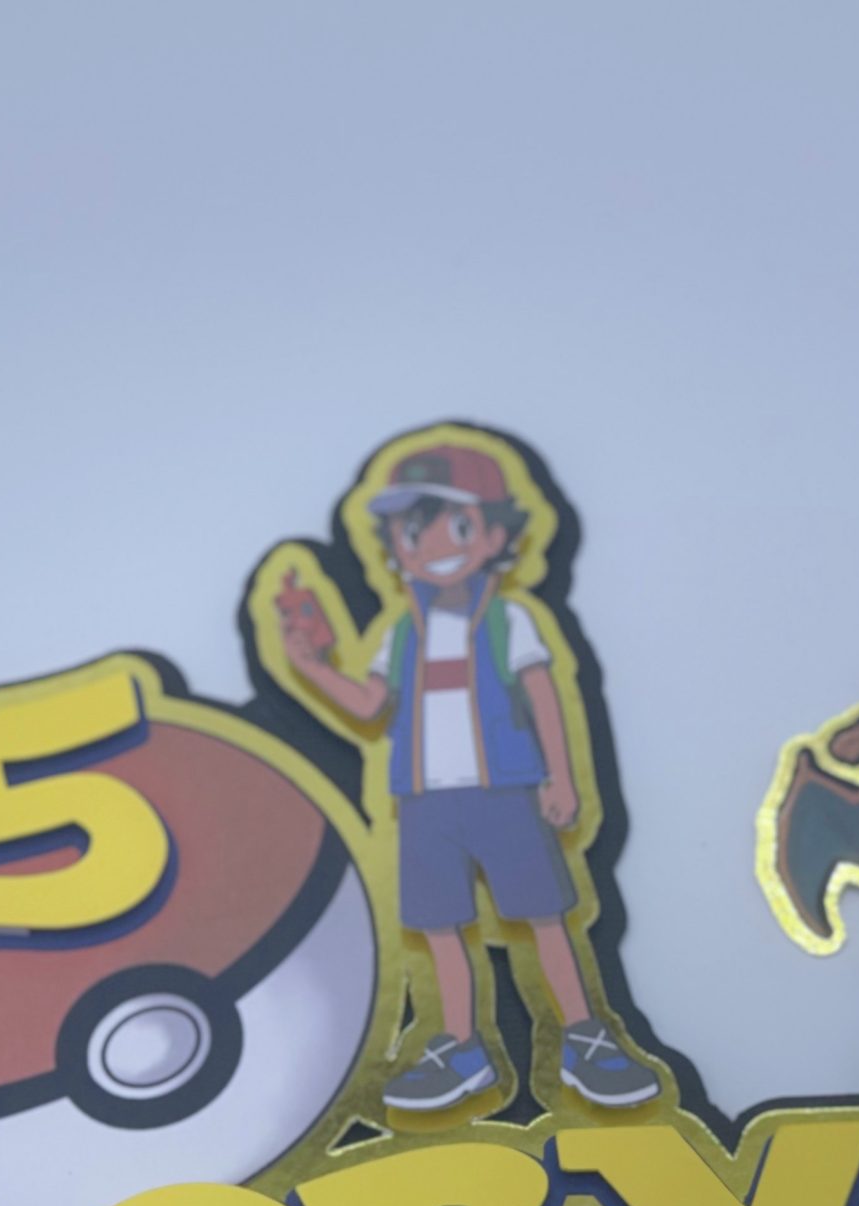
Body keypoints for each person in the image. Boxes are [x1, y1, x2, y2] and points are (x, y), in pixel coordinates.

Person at [275, 441, 655, 1111]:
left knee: (544, 917)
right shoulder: (401, 633)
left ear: (496, 536)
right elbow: (368, 705)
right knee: (441, 928)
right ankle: (462, 1047)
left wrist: (561, 779)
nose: (433, 546)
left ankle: (584, 1037)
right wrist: (310, 667)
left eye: (456, 526)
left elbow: (543, 698)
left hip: (504, 793)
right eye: (412, 532)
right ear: (396, 548)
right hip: (425, 804)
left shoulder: (509, 620)